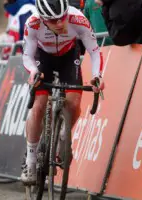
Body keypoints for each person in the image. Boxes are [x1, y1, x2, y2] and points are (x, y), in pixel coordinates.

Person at [21, 0, 105, 184]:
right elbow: (27, 55)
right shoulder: (32, 23)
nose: (60, 23)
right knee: (39, 106)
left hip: (69, 56)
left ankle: (62, 135)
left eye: (62, 17)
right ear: (43, 19)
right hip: (43, 58)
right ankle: (31, 160)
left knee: (74, 103)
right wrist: (34, 72)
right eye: (53, 21)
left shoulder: (78, 19)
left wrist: (97, 75)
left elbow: (94, 50)